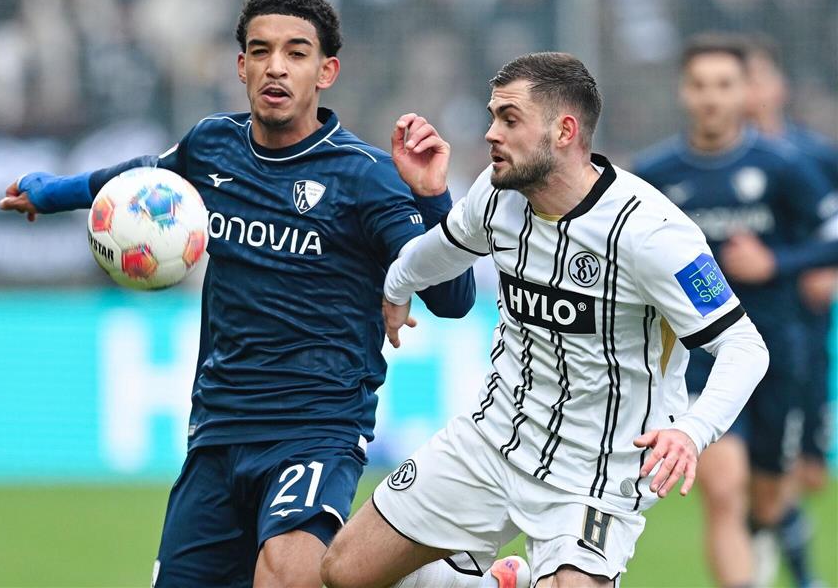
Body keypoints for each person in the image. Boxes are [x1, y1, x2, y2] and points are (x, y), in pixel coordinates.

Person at [0, 0, 475, 588]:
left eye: (297, 53)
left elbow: (454, 300)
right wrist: (52, 191)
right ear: (240, 66)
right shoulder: (211, 145)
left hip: (316, 424)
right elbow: (139, 180)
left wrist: (433, 196)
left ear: (327, 71)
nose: (276, 66)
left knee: (286, 576)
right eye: (260, 50)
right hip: (219, 427)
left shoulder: (366, 177)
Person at [320, 52, 769, 588]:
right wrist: (396, 286)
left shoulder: (652, 234)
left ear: (564, 131)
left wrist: (693, 432)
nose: (490, 134)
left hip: (595, 475)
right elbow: (445, 247)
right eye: (492, 117)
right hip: (493, 441)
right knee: (345, 573)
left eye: (509, 120)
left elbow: (745, 347)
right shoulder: (496, 194)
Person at [634, 34, 838, 588]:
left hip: (779, 352)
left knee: (768, 496)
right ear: (683, 91)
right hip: (702, 357)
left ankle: (765, 532)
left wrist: (774, 262)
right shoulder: (654, 174)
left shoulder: (783, 166)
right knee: (722, 490)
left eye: (724, 86)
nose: (711, 99)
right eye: (700, 86)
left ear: (745, 91)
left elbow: (831, 237)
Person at [738, 35, 838, 588]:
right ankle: (781, 571)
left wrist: (814, 268)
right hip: (735, 331)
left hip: (801, 330)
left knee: (797, 473)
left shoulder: (815, 156)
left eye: (755, 77)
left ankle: (785, 561)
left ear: (779, 86)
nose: (747, 91)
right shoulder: (710, 162)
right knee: (735, 471)